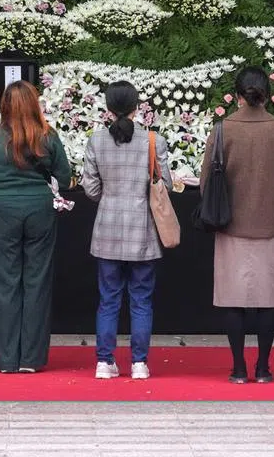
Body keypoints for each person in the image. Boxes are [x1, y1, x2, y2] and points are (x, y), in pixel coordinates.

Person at [199, 67, 274, 384]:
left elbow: (205, 182)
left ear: (237, 95)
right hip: (270, 221)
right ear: (267, 95)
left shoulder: (223, 129)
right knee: (268, 298)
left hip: (231, 222)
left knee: (233, 297)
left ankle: (239, 367)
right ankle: (264, 367)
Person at [0, 80, 71, 374]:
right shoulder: (47, 136)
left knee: (6, 282)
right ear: (34, 104)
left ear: (4, 105)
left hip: (4, 208)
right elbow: (64, 178)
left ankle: (6, 360)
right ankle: (31, 358)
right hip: (40, 209)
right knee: (37, 281)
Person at [83, 81, 171, 381]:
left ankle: (104, 362)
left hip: (107, 228)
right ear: (137, 107)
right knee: (141, 298)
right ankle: (139, 363)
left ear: (108, 108)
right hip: (143, 229)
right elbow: (166, 185)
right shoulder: (152, 141)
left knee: (108, 299)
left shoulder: (96, 140)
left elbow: (91, 189)